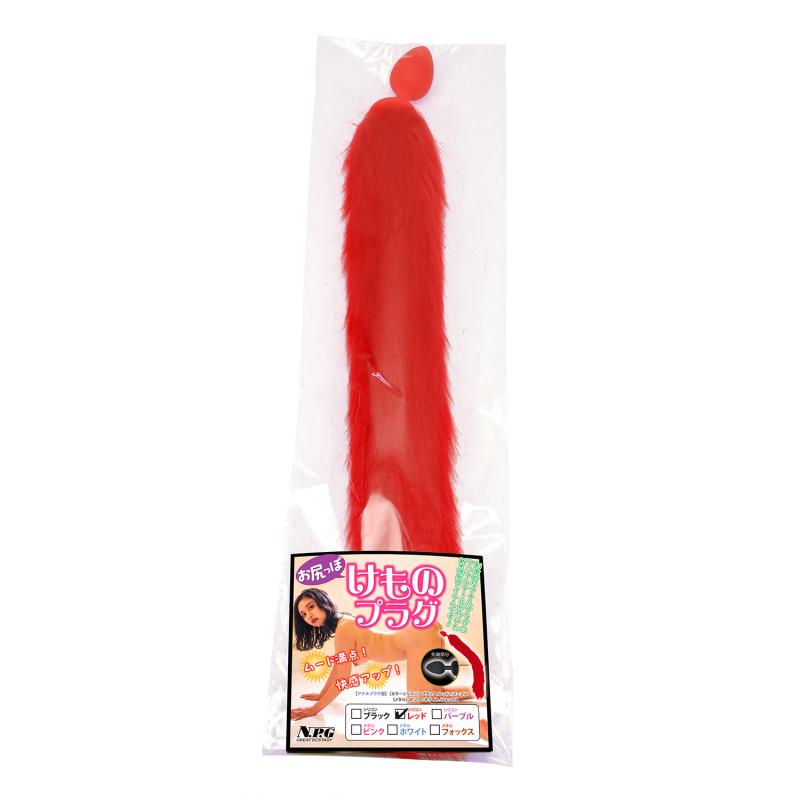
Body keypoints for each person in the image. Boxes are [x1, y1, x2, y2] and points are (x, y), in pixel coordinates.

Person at [290, 587, 479, 722]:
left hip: (418, 637)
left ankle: (478, 691)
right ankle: (477, 691)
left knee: (420, 700)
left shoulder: (344, 628)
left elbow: (343, 679)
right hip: (419, 633)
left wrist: (314, 710)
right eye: (303, 614)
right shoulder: (343, 624)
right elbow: (339, 668)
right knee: (432, 695)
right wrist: (321, 695)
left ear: (323, 602)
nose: (308, 615)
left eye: (311, 607)